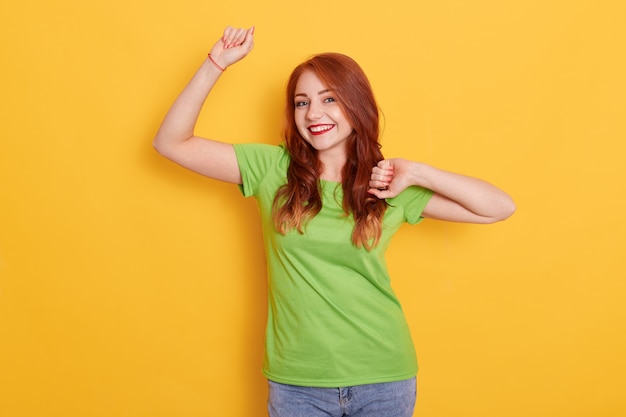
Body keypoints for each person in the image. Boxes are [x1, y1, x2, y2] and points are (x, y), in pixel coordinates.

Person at [153, 25, 515, 417]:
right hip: (297, 381)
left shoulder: (388, 183)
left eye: (329, 99)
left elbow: (498, 206)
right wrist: (215, 64)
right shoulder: (271, 169)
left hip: (383, 375)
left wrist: (418, 172)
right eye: (302, 102)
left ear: (355, 106)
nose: (314, 113)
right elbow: (171, 142)